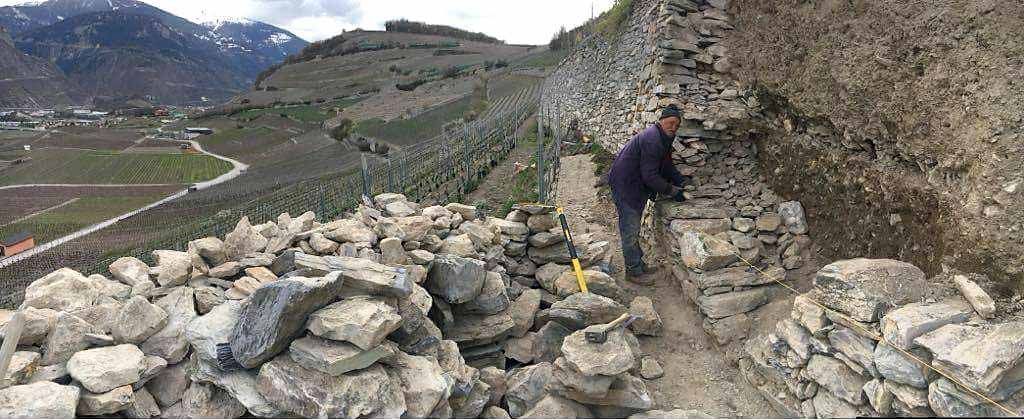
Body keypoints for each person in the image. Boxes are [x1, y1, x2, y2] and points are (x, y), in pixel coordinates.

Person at [607, 104, 689, 285]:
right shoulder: (653, 139)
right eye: (671, 122)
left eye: (677, 125)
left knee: (633, 226)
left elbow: (666, 165)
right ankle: (633, 272)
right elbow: (650, 176)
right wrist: (672, 191)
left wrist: (680, 180)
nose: (673, 127)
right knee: (630, 229)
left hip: (633, 184)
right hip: (625, 185)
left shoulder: (663, 138)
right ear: (662, 120)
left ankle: (639, 264)